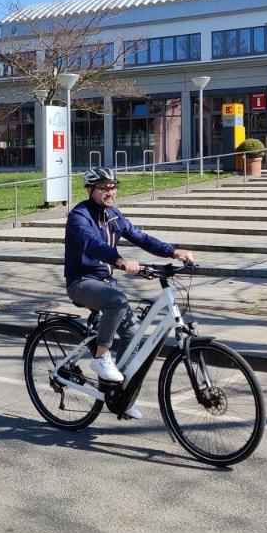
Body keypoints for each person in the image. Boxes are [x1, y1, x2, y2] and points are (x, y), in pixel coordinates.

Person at [64, 167, 194, 415]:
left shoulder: (114, 216)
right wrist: (120, 260)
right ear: (90, 190)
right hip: (81, 281)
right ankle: (101, 357)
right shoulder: (79, 216)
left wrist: (173, 251)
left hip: (105, 281)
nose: (110, 192)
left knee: (134, 334)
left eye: (113, 187)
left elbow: (140, 237)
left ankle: (118, 396)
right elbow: (93, 245)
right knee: (117, 301)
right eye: (104, 188)